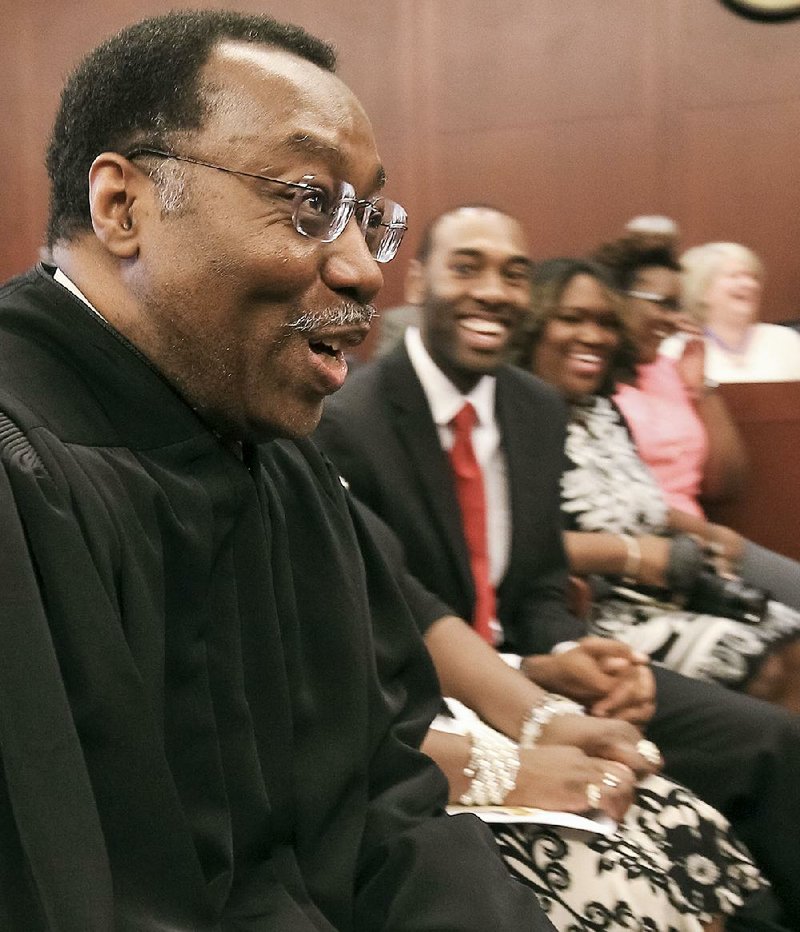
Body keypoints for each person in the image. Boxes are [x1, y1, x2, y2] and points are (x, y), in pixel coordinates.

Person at [0, 13, 562, 930]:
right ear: (123, 207)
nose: (362, 271)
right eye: (308, 203)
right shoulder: (23, 479)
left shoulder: (285, 463)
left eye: (366, 218)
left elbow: (390, 802)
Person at [315, 204, 800, 928]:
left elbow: (538, 584)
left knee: (771, 743)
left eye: (513, 273)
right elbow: (394, 610)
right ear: (417, 279)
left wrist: (578, 654)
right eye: (467, 266)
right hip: (435, 695)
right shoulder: (349, 417)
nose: (493, 291)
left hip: (534, 666)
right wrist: (531, 702)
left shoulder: (533, 405)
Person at [593, 231, 800, 616]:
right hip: (648, 553)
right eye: (664, 304)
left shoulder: (667, 371)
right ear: (617, 300)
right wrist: (706, 537)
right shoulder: (592, 384)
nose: (675, 320)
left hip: (705, 544)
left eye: (678, 306)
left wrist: (701, 387)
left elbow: (725, 483)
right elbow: (623, 505)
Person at [681, 241, 800, 383]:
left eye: (752, 277)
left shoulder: (784, 340)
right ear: (702, 290)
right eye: (735, 276)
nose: (750, 284)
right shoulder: (679, 347)